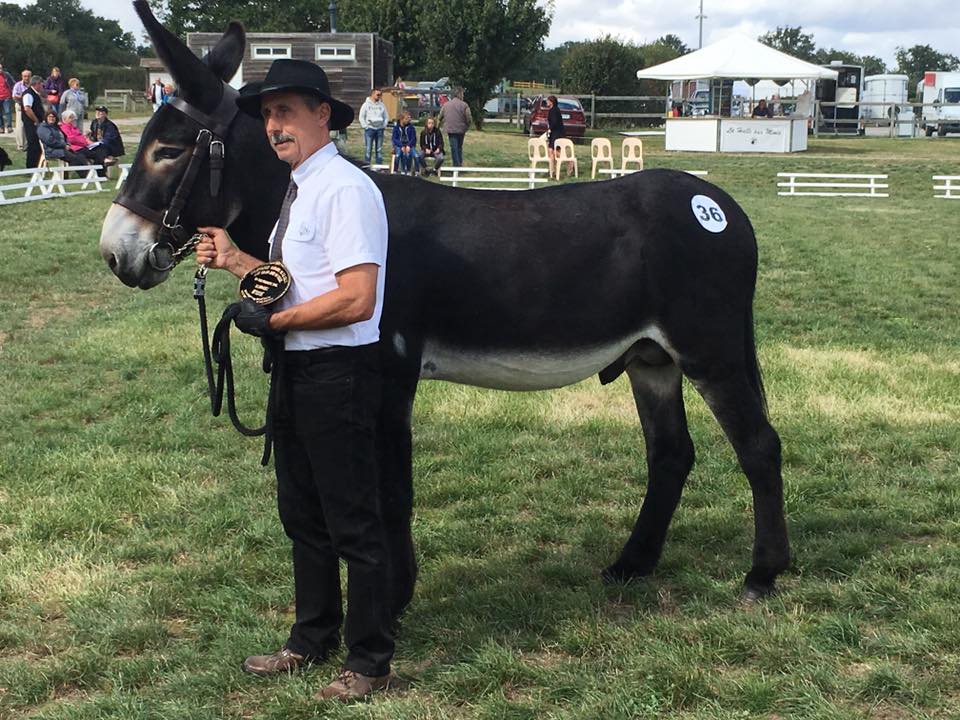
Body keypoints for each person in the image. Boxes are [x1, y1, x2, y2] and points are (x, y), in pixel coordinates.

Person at [194, 58, 394, 703]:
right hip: (300, 370)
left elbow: (358, 298)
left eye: (287, 111)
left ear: (324, 115)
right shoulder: (300, 188)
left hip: (338, 373)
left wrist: (275, 320)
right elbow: (295, 283)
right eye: (268, 115)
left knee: (353, 523)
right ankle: (311, 638)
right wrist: (236, 261)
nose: (275, 125)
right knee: (302, 516)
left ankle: (368, 659)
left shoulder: (346, 189)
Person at [438, 88, 471, 167]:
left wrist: (438, 126)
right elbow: (469, 117)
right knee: (459, 147)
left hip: (450, 129)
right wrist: (467, 125)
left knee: (454, 148)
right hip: (461, 129)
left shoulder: (446, 104)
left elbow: (440, 116)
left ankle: (456, 165)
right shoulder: (464, 105)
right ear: (460, 94)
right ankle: (459, 164)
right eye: (463, 94)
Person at [545, 95, 572, 179]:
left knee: (554, 151)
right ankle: (553, 171)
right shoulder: (554, 110)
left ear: (551, 102)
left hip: (557, 133)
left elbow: (555, 122)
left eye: (547, 101)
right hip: (554, 133)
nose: (546, 102)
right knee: (551, 152)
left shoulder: (554, 110)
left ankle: (569, 162)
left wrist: (550, 129)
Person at [358, 88, 388, 165]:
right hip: (370, 129)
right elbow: (361, 116)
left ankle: (379, 167)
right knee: (368, 149)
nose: (379, 96)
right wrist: (365, 126)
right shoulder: (366, 105)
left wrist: (384, 125)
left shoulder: (382, 105)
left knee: (379, 149)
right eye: (378, 95)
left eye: (380, 95)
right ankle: (367, 165)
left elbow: (386, 116)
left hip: (380, 129)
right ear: (373, 94)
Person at [21, 75, 44, 168]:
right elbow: (27, 109)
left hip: (36, 123)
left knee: (37, 145)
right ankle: (31, 167)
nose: (42, 86)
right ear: (37, 84)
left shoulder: (35, 94)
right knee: (33, 144)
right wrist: (36, 120)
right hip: (31, 123)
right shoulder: (28, 94)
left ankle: (36, 165)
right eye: (41, 84)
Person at [12, 69, 30, 151]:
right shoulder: (18, 85)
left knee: (30, 126)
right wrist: (25, 97)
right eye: (25, 76)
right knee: (20, 126)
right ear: (22, 76)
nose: (26, 78)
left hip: (30, 107)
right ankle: (21, 145)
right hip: (20, 106)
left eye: (28, 76)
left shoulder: (32, 84)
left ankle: (28, 144)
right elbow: (14, 96)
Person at [0, 63, 14, 133]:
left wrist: (12, 91)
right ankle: (1, 127)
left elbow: (13, 83)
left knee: (7, 111)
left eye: (1, 68)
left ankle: (9, 127)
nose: (0, 70)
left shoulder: (6, 75)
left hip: (6, 96)